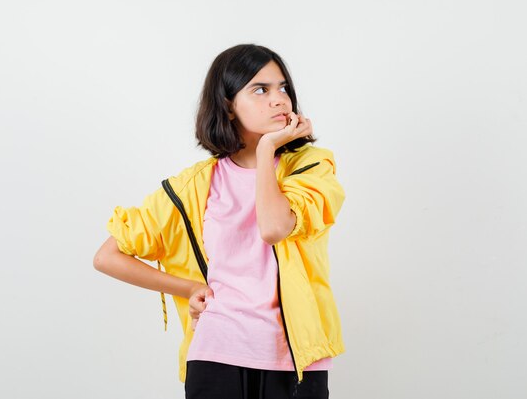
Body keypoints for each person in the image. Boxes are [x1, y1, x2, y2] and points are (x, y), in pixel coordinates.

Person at [93, 44, 346, 399]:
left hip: (296, 359)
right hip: (216, 352)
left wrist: (265, 150)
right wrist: (189, 289)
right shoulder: (194, 185)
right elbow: (107, 256)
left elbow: (274, 228)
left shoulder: (311, 167)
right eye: (260, 89)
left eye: (283, 87)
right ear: (228, 105)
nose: (279, 100)